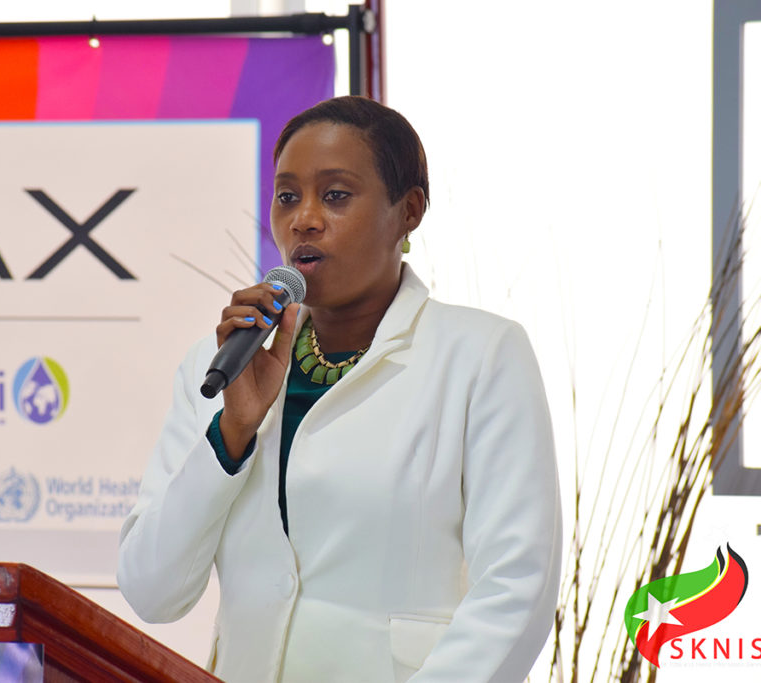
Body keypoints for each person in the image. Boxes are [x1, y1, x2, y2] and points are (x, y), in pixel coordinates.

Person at [118, 96, 562, 682]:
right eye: (287, 197)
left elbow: (515, 588)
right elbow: (152, 590)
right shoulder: (219, 366)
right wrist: (232, 433)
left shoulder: (480, 355)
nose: (304, 219)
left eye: (335, 195)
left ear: (408, 211)